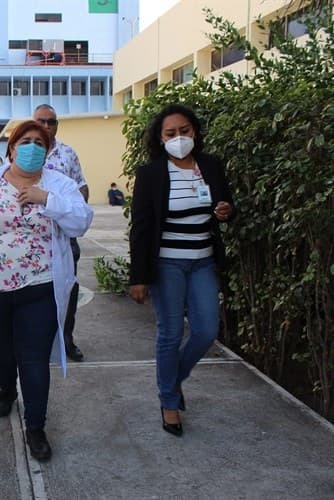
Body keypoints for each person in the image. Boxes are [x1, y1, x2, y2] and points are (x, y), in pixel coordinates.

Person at [0, 120, 93, 461]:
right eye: (25, 141)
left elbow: (80, 223)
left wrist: (48, 200)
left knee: (33, 358)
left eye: (39, 143)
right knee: (2, 347)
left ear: (48, 150)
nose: (32, 148)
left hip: (39, 286)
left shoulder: (59, 185)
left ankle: (36, 426)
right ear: (11, 148)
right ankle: (5, 388)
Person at [128, 104, 234, 437]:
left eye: (184, 131)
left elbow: (226, 206)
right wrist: (139, 277)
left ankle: (173, 381)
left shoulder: (211, 166)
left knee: (205, 331)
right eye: (170, 133)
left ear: (195, 132)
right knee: (170, 334)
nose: (179, 138)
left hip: (202, 260)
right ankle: (169, 402)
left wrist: (226, 210)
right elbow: (142, 228)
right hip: (167, 264)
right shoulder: (151, 174)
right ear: (160, 139)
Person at [33, 104, 88, 362]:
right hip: (33, 238)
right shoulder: (26, 150)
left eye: (51, 122)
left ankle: (66, 339)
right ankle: (40, 340)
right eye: (41, 121)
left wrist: (73, 211)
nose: (46, 126)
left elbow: (82, 187)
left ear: (57, 125)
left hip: (64, 234)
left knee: (68, 288)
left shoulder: (68, 154)